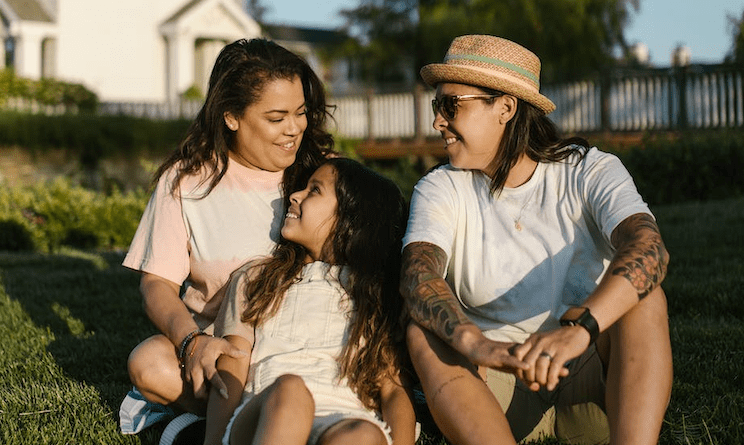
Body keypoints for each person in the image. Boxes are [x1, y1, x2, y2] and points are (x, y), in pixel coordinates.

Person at [400, 35, 672, 445]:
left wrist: (580, 330)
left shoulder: (587, 170)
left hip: (588, 376)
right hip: (496, 388)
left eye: (450, 105)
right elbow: (418, 276)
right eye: (437, 106)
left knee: (646, 297)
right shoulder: (440, 188)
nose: (437, 120)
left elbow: (650, 249)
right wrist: (480, 346)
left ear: (505, 107)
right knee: (423, 329)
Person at [119, 38, 335, 438]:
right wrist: (192, 343)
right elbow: (156, 284)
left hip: (307, 348)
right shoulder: (187, 182)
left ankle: (208, 426)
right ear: (231, 116)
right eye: (277, 118)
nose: (295, 129)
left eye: (301, 113)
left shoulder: (324, 177)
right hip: (223, 352)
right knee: (150, 363)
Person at [204, 158, 416, 445]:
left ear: (350, 218)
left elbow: (392, 390)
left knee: (363, 435)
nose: (295, 195)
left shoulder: (373, 294)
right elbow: (233, 364)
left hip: (343, 416)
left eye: (314, 190)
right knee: (291, 391)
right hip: (266, 412)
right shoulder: (257, 278)